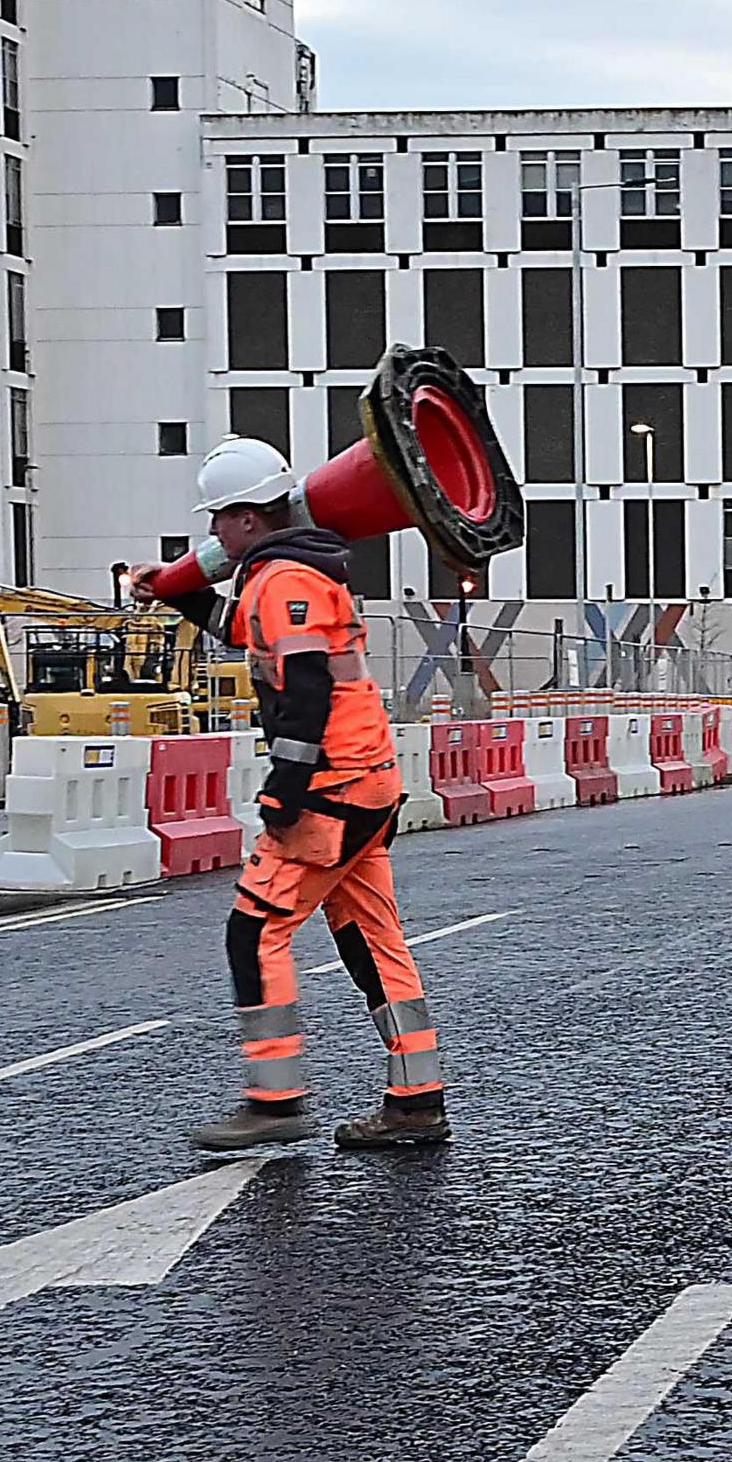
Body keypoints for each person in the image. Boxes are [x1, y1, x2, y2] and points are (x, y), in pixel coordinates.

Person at [139, 438, 451, 1152]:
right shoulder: (291, 574)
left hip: (332, 789)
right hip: (369, 785)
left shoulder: (283, 579)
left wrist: (285, 791)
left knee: (255, 930)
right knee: (374, 940)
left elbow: (305, 690)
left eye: (219, 518)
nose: (213, 533)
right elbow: (235, 628)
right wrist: (176, 585)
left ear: (249, 519)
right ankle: (416, 1097)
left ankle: (274, 1100)